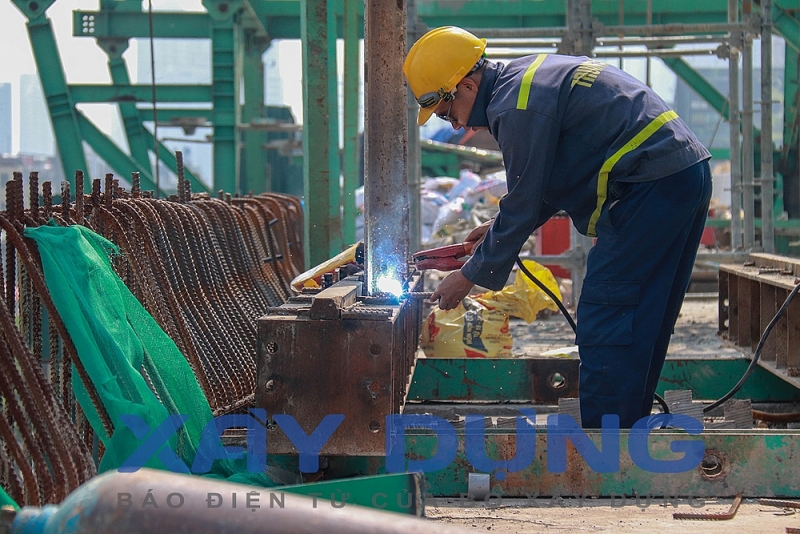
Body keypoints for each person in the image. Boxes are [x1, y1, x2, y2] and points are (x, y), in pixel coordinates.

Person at [404, 26, 712, 428]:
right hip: (680, 174)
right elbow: (547, 183)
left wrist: (467, 277)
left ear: (465, 85)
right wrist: (499, 226)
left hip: (649, 186)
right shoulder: (523, 82)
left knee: (608, 313)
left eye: (447, 112)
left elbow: (527, 196)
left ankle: (607, 447)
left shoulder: (514, 107)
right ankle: (628, 431)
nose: (456, 124)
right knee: (644, 314)